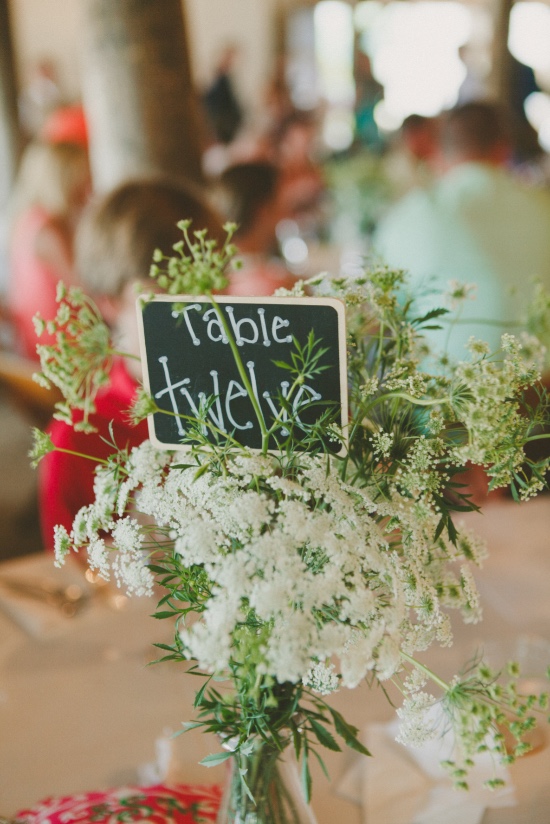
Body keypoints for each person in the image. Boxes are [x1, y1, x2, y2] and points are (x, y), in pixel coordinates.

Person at [38, 178, 223, 549]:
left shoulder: (249, 393)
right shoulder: (78, 440)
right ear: (109, 302)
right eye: (167, 299)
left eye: (212, 288)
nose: (197, 313)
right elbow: (75, 576)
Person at [373, 101, 550, 363]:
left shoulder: (413, 214)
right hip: (541, 392)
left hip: (447, 395)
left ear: (440, 152)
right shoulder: (543, 205)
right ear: (504, 150)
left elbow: (384, 312)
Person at [7, 112, 91, 359]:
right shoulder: (48, 231)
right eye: (80, 181)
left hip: (36, 344)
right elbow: (85, 292)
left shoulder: (27, 220)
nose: (86, 190)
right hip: (61, 350)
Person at [216, 160, 298, 296]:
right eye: (281, 202)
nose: (286, 213)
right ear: (263, 211)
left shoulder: (216, 268)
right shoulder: (276, 286)